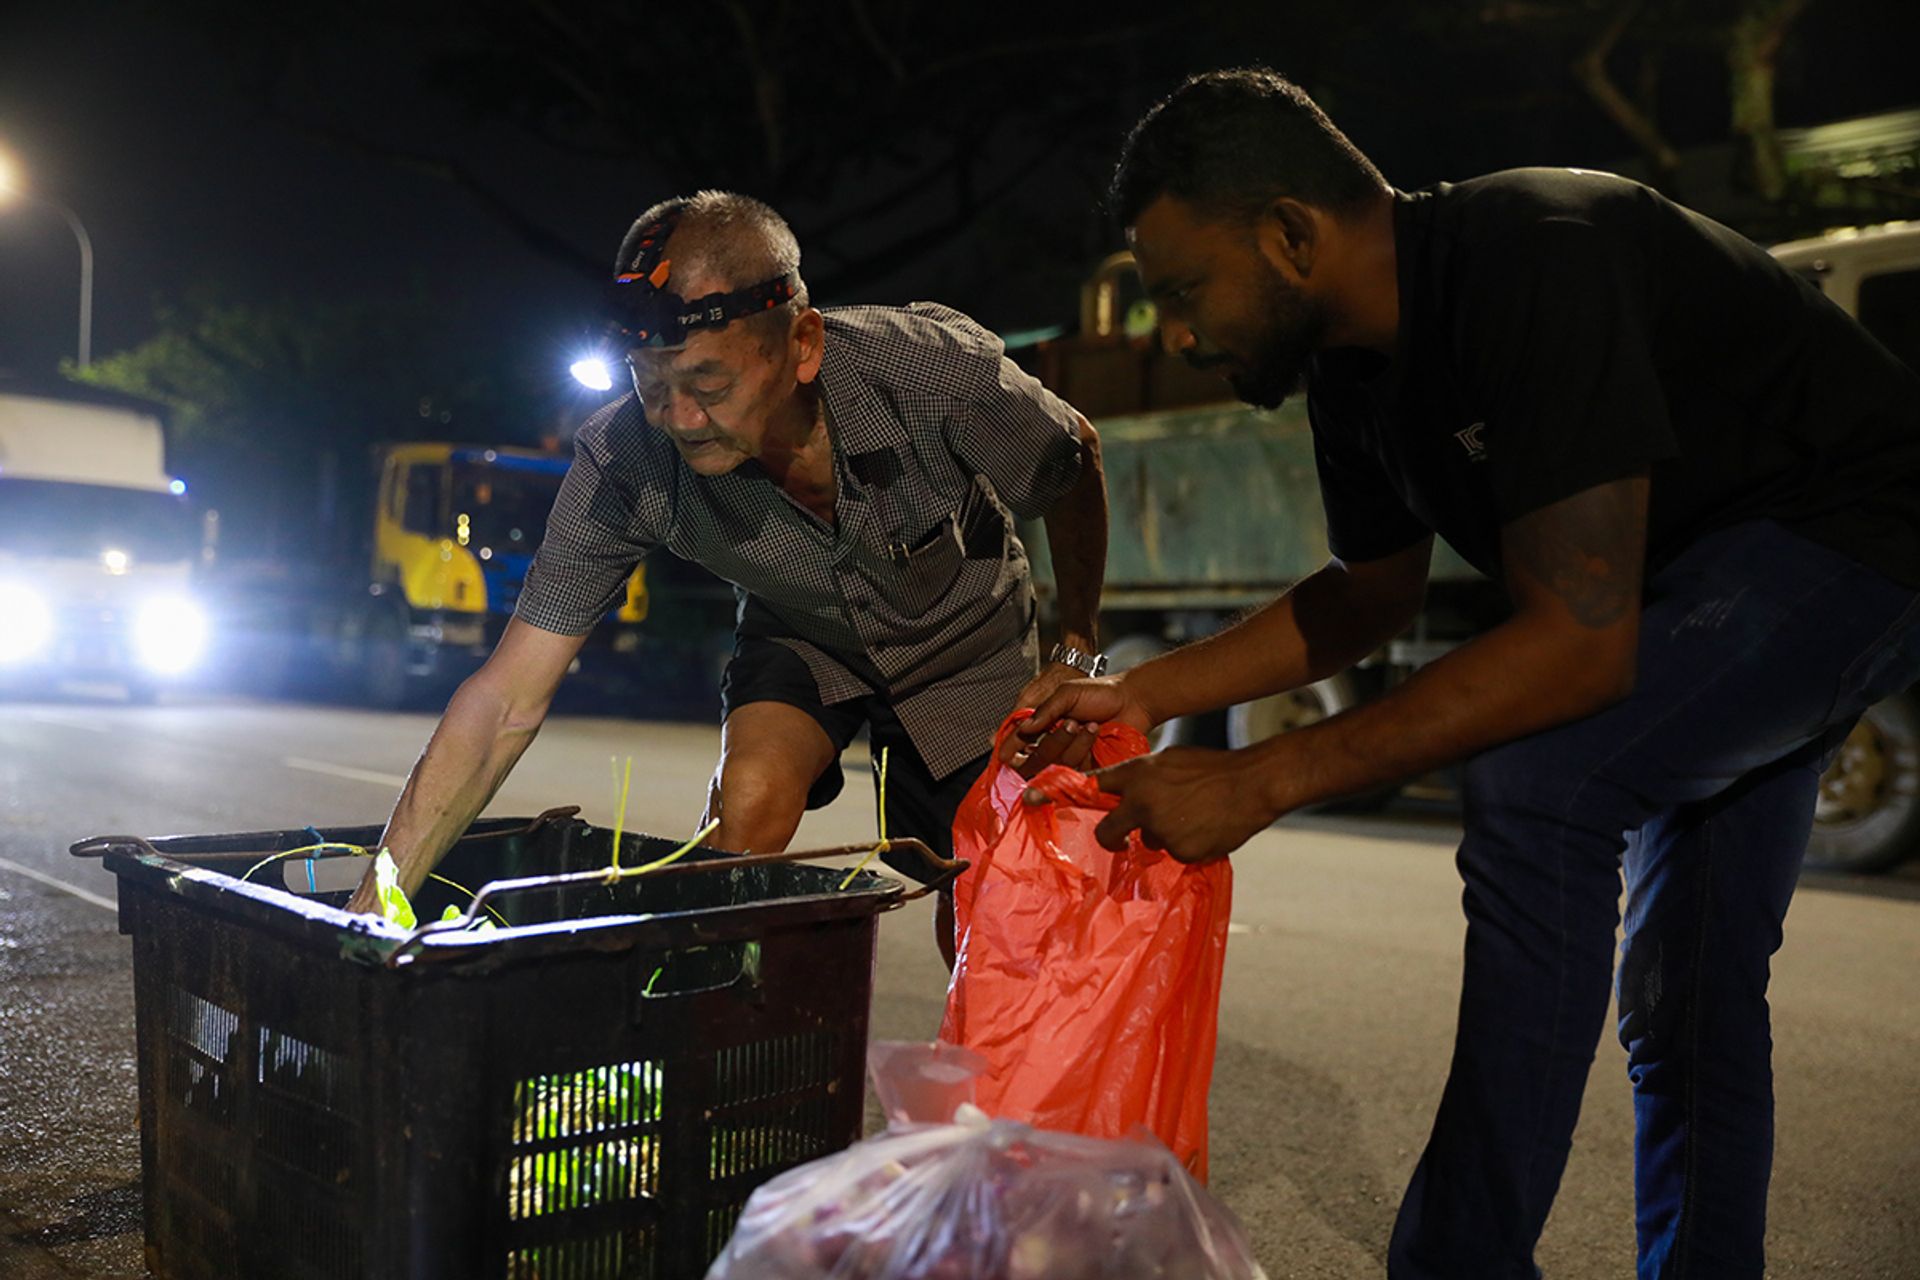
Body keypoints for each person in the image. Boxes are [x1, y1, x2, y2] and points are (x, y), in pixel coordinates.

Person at [1012, 68, 1920, 1278]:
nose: (1176, 334)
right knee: (1686, 989)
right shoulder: (1351, 367)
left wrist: (1263, 776)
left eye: (1183, 291)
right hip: (1700, 591)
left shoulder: (1538, 252)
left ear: (1291, 233)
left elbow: (1579, 641)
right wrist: (1145, 694)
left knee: (1537, 783)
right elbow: (1366, 596)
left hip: (1856, 545)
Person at [348, 191, 1109, 966]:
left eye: (710, 387)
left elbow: (1072, 459)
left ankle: (985, 1075)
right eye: (650, 385)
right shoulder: (623, 461)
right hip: (802, 631)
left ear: (802, 345)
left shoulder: (926, 373)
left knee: (981, 904)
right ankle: (719, 1028)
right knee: (743, 816)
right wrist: (376, 895)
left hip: (964, 644)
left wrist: (1078, 645)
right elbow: (506, 697)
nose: (678, 418)